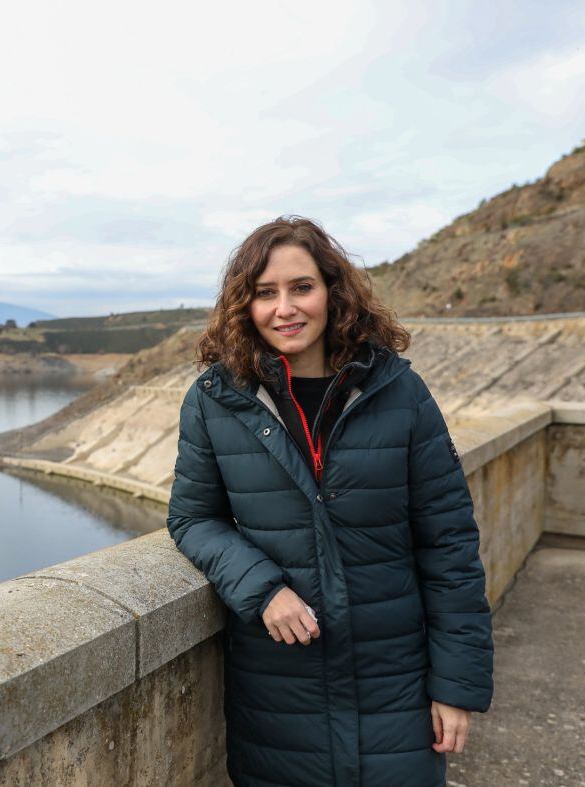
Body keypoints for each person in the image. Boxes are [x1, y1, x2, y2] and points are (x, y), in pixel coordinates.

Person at [166, 216, 493, 786]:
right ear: (244, 305)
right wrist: (261, 588)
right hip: (279, 698)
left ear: (332, 291)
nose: (284, 308)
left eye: (301, 287)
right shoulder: (215, 401)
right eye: (265, 294)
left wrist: (455, 685)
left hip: (396, 686)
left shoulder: (399, 393)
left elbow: (449, 546)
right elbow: (193, 518)